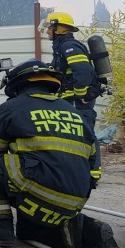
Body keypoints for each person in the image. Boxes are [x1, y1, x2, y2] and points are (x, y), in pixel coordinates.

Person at [0, 58, 119, 248]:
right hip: (73, 200)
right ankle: (87, 233)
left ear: (17, 85)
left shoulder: (13, 107)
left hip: (37, 189)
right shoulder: (75, 113)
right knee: (27, 232)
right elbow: (93, 162)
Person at [39, 11, 102, 186]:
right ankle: (76, 169)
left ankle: (93, 172)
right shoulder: (61, 47)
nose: (47, 31)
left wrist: (81, 94)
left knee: (86, 132)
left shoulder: (69, 46)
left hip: (79, 100)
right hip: (70, 100)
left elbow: (83, 70)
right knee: (72, 134)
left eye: (50, 27)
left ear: (58, 29)